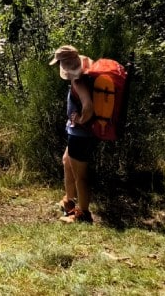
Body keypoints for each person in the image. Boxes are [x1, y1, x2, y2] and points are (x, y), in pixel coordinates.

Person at [49, 45, 95, 223]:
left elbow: (88, 106)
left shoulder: (78, 81)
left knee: (80, 176)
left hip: (81, 135)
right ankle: (69, 202)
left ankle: (83, 214)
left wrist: (81, 120)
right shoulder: (86, 69)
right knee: (66, 161)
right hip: (77, 133)